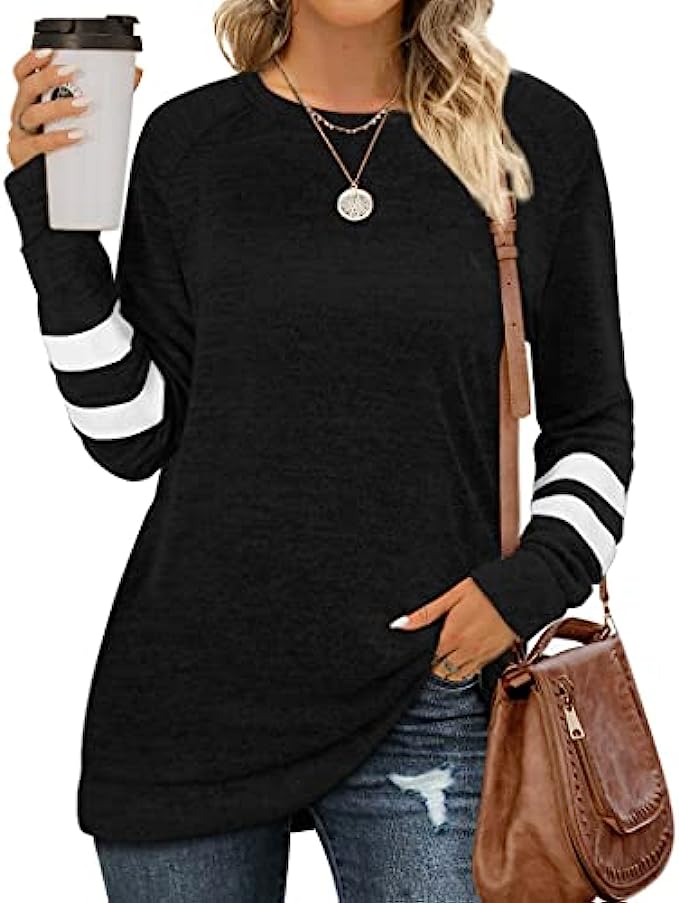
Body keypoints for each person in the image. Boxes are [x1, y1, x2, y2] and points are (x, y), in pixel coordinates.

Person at [4, 1, 634, 900]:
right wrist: (52, 220)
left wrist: (529, 583)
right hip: (192, 698)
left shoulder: (532, 133)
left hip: (428, 689)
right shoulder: (191, 143)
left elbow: (592, 418)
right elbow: (132, 436)